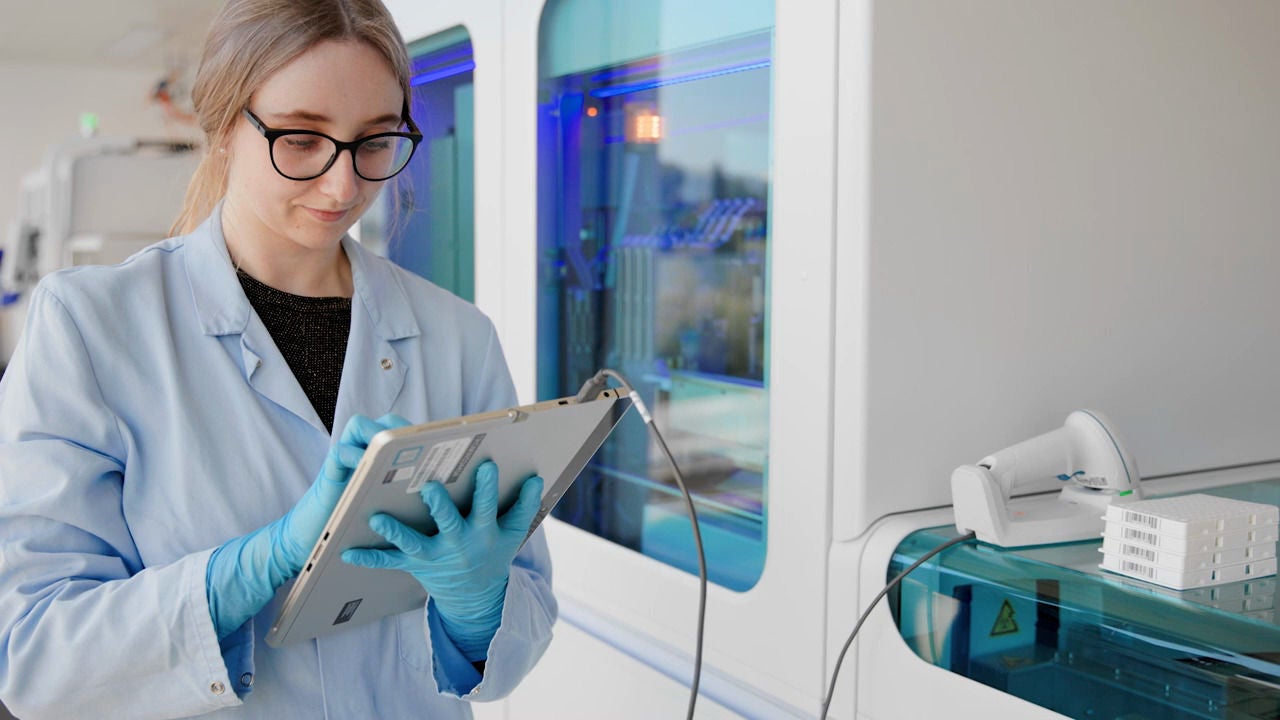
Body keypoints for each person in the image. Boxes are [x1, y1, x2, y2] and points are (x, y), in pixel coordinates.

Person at [0, 1, 556, 717]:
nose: (343, 185)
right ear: (225, 126)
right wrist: (253, 566)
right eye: (301, 139)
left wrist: (481, 612)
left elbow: (521, 624)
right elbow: (34, 653)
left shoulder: (458, 336)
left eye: (375, 141)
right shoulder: (91, 328)